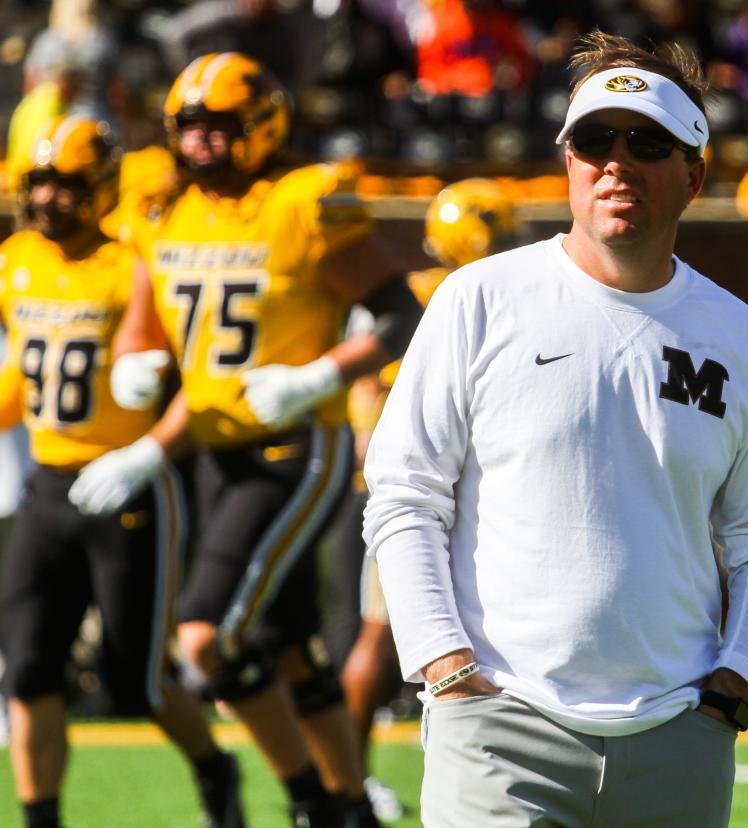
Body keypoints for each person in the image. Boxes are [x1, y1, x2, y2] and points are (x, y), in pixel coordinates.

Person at [363, 30, 748, 827]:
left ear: (694, 173)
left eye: (648, 143)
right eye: (595, 139)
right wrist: (443, 666)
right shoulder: (478, 300)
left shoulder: (738, 336)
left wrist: (737, 682)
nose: (616, 160)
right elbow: (404, 495)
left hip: (680, 734)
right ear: (567, 160)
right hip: (498, 723)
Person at [95, 52, 422, 827]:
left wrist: (319, 377)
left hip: (293, 447)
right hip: (213, 450)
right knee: (291, 647)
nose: (203, 143)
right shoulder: (164, 209)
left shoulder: (301, 201)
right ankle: (349, 809)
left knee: (205, 639)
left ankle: (308, 797)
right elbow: (147, 314)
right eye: (191, 128)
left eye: (220, 127)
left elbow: (400, 314)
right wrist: (136, 360)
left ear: (262, 126)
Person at [0, 115, 243, 828]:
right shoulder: (14, 259)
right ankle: (40, 818)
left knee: (136, 678)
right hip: (48, 483)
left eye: (65, 183)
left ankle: (213, 766)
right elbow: (27, 380)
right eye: (38, 181)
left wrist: (147, 454)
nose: (48, 197)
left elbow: (194, 381)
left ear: (100, 187)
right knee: (30, 668)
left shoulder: (136, 265)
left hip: (129, 485)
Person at [334, 177, 523, 823]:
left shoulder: (434, 292)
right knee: (383, 639)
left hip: (440, 489)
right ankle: (347, 784)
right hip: (429, 495)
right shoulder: (464, 297)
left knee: (398, 639)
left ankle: (353, 782)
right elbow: (369, 394)